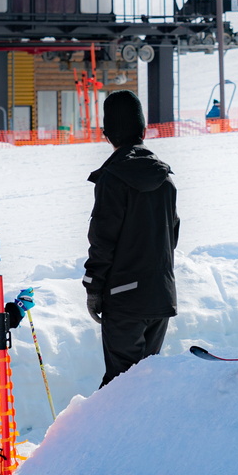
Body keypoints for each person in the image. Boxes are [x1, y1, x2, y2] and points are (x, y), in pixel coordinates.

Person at [83, 90, 180, 387]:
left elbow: (103, 240)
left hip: (124, 299)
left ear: (106, 134)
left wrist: (93, 287)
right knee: (144, 383)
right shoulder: (165, 178)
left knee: (119, 385)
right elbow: (171, 236)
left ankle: (100, 435)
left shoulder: (113, 179)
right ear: (144, 129)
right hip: (160, 296)